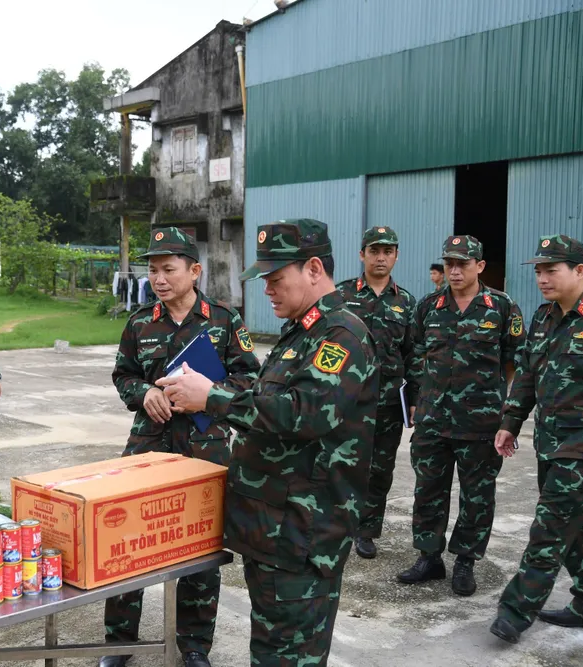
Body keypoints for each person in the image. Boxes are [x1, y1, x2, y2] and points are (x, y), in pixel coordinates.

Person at [158, 219, 377, 666]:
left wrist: (213, 397)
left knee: (288, 654)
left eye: (276, 279)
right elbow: (267, 402)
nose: (268, 290)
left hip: (303, 533)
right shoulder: (302, 332)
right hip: (274, 529)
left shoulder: (341, 335)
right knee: (271, 649)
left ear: (314, 268)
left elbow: (305, 413)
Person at [102, 227, 260, 667]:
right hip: (148, 446)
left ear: (194, 270)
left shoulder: (224, 321)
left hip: (204, 449)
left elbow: (249, 379)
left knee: (201, 550)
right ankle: (118, 644)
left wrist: (210, 392)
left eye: (168, 269)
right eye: (152, 270)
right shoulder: (139, 323)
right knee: (126, 542)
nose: (159, 278)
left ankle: (193, 646)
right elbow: (123, 375)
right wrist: (144, 393)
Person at [490, 235, 583, 644]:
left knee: (550, 528)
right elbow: (527, 375)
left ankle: (515, 612)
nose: (542, 278)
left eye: (551, 270)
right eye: (538, 271)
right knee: (581, 531)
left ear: (579, 271)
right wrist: (510, 421)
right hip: (550, 443)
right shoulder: (543, 318)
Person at [399, 235, 524, 596]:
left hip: (481, 422)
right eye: (450, 263)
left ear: (480, 266)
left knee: (477, 496)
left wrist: (506, 408)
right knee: (428, 491)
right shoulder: (429, 306)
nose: (454, 270)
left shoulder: (500, 306)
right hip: (434, 421)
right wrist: (419, 400)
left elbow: (516, 359)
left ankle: (465, 561)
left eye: (463, 264)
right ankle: (429, 557)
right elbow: (417, 353)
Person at [336, 226, 416, 559]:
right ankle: (338, 525)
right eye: (374, 251)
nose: (380, 257)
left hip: (387, 405)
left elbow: (414, 354)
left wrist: (413, 400)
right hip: (346, 401)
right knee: (341, 464)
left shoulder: (407, 302)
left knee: (380, 469)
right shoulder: (341, 295)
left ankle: (367, 531)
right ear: (362, 255)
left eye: (387, 251)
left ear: (396, 256)